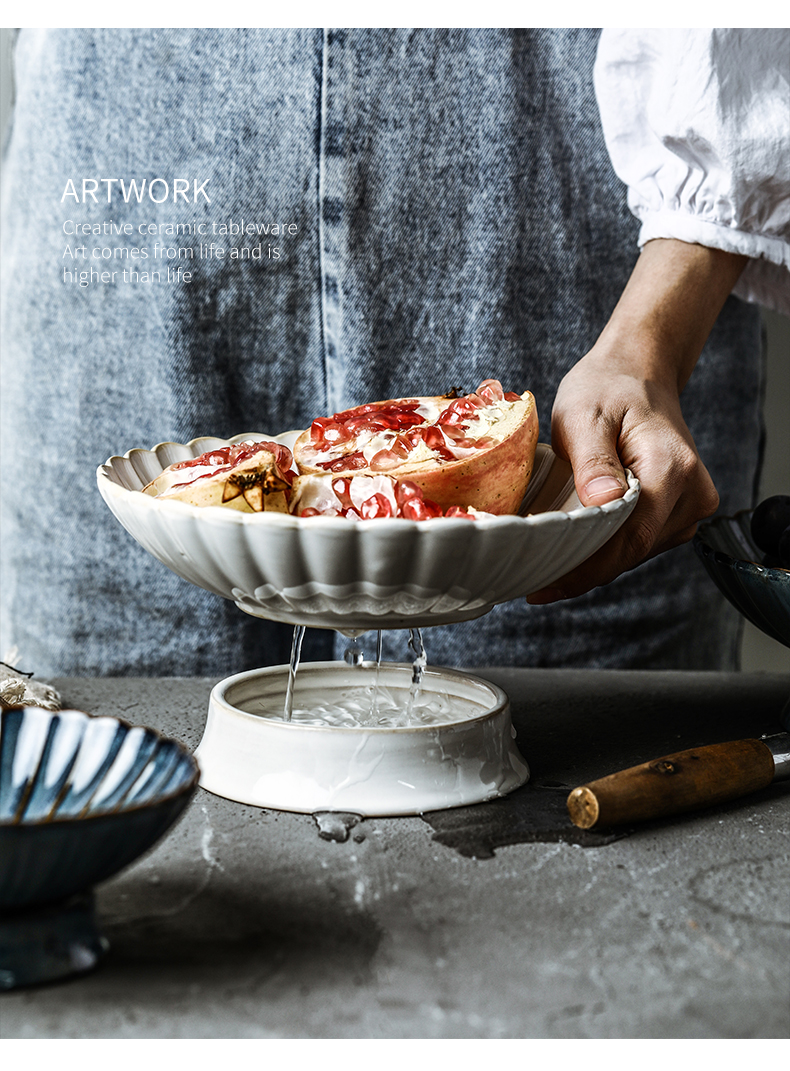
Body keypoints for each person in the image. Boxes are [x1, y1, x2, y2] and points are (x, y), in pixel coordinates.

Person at [1, 28, 788, 677]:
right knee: (129, 816)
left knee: (567, 818)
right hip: (124, 204)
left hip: (553, 204)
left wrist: (655, 330)